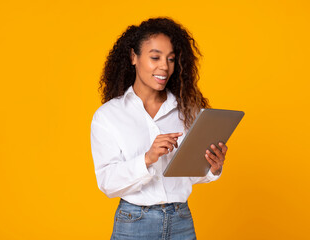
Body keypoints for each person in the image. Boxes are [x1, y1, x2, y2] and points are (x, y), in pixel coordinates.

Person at [90, 17, 228, 240]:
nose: (164, 66)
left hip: (181, 219)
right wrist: (147, 158)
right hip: (135, 223)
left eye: (171, 59)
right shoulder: (108, 116)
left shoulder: (188, 110)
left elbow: (189, 175)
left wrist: (212, 167)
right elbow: (107, 183)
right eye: (155, 57)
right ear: (133, 57)